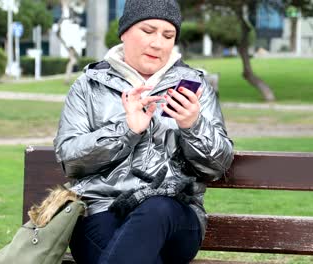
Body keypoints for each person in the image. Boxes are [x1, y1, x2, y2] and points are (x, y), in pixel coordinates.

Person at [53, 0, 234, 263]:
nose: (158, 43)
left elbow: (218, 166)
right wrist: (127, 131)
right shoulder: (88, 86)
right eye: (148, 31)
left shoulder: (195, 87)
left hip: (175, 214)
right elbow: (70, 160)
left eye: (168, 35)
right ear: (125, 32)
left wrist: (193, 126)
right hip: (101, 211)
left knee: (156, 210)